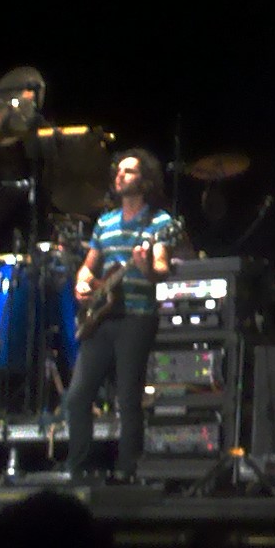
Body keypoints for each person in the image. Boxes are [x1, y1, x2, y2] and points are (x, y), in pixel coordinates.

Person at [64, 149, 174, 482]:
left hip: (137, 316)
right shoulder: (105, 222)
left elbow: (161, 269)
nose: (120, 175)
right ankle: (79, 469)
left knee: (128, 398)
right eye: (119, 171)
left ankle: (128, 471)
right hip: (102, 318)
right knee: (77, 396)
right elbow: (89, 266)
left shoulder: (160, 223)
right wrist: (83, 282)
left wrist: (145, 267)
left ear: (145, 180)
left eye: (129, 171)